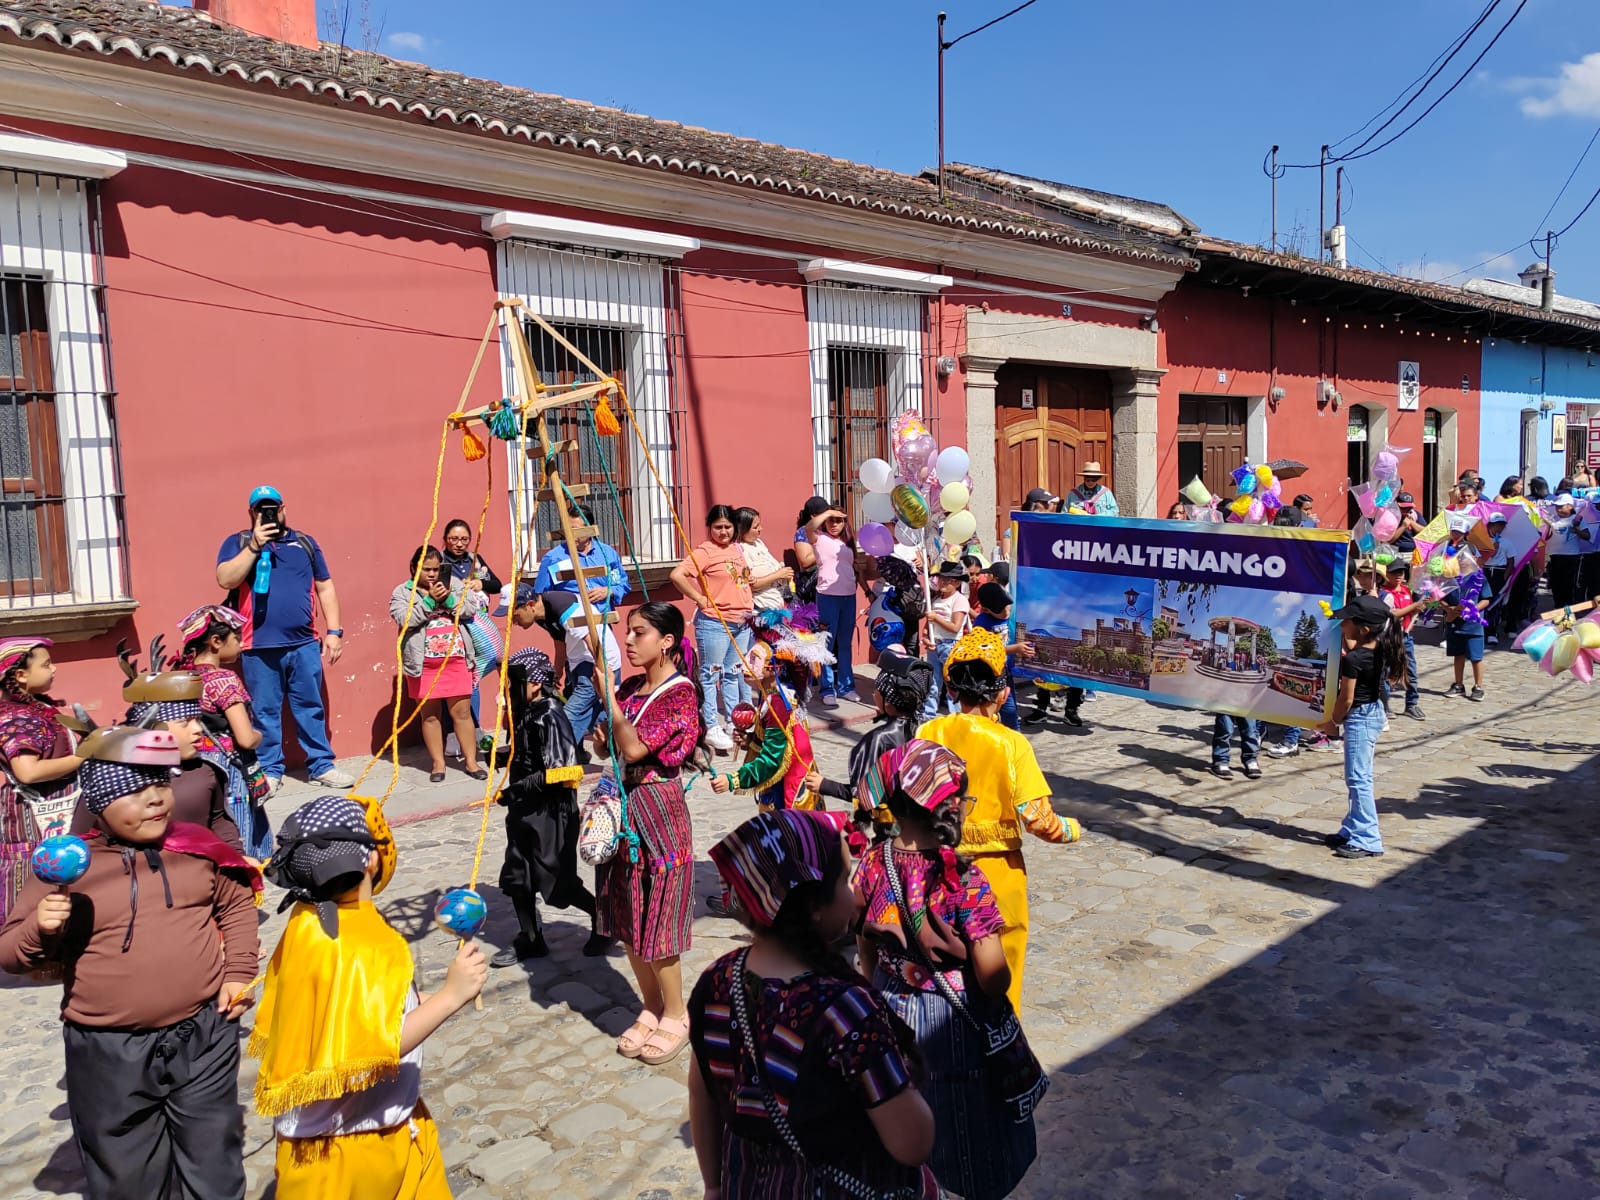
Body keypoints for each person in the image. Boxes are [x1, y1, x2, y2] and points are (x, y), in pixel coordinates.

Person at [1, 726, 261, 1200]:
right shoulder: (69, 866)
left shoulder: (197, 848)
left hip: (204, 1033)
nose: (156, 799)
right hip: (108, 1047)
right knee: (127, 1172)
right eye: (135, 790)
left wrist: (239, 970)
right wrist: (41, 927)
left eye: (160, 783)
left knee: (215, 1160)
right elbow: (10, 953)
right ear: (100, 803)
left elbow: (236, 904)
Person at [690, 808, 936, 1200]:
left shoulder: (717, 981)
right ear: (815, 907)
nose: (854, 892)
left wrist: (714, 1186)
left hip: (749, 1185)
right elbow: (913, 1143)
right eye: (845, 879)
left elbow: (702, 1092)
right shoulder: (846, 1010)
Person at [252, 795, 485, 1198]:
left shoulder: (312, 918)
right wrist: (450, 996)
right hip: (342, 1152)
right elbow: (375, 1044)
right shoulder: (351, 942)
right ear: (370, 861)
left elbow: (361, 1004)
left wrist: (422, 998)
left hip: (398, 1126)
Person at [854, 739, 1038, 1200]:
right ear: (950, 806)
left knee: (899, 1098)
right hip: (949, 1019)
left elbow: (862, 937)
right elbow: (993, 974)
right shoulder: (963, 878)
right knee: (962, 1114)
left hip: (889, 1001)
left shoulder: (874, 862)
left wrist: (875, 981)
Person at [919, 629, 1081, 1012]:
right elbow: (1040, 821)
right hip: (996, 878)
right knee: (999, 982)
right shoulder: (1012, 744)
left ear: (953, 690)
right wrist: (1074, 829)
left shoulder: (928, 732)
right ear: (1003, 694)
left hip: (933, 870)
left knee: (938, 977)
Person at [592, 602, 703, 1066]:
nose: (630, 641)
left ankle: (677, 1012)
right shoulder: (635, 686)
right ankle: (650, 1004)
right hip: (625, 805)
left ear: (668, 641)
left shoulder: (680, 694)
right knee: (627, 910)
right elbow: (613, 744)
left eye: (639, 633)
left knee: (659, 910)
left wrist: (610, 703)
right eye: (628, 632)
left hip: (658, 808)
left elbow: (636, 746)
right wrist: (605, 730)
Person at [214, 484, 352, 791]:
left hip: (303, 643)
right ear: (251, 513)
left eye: (273, 508)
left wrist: (334, 632)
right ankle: (270, 770)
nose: (269, 513)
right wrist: (253, 546)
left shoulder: (304, 542)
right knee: (264, 712)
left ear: (283, 509)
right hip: (257, 646)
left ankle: (321, 766)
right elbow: (225, 578)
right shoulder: (237, 542)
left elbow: (325, 586)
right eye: (261, 508)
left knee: (311, 706)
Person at [494, 647, 608, 965]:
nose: (506, 689)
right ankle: (531, 939)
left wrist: (515, 791)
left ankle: (604, 921)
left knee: (557, 882)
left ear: (532, 683)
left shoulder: (550, 714)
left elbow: (560, 772)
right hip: (523, 810)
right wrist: (503, 755)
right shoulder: (525, 712)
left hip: (551, 813)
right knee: (519, 875)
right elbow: (528, 753)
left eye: (511, 682)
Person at [75, 669, 243, 850]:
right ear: (153, 726)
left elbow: (219, 820)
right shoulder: (113, 777)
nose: (197, 729)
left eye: (198, 720)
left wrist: (236, 856)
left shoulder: (206, 771)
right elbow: (82, 837)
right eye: (184, 722)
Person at [174, 604, 272, 853]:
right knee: (236, 829)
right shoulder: (224, 680)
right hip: (227, 767)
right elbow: (246, 739)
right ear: (216, 641)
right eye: (236, 638)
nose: (240, 643)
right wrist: (259, 735)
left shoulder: (180, 678)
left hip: (192, 761)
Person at [0, 637, 81, 927]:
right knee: (35, 884)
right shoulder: (15, 717)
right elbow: (28, 772)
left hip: (55, 812)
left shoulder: (38, 709)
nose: (54, 668)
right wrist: (84, 757)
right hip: (32, 821)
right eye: (46, 664)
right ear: (20, 675)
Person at [1318, 595, 1407, 859]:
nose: (1341, 624)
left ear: (1363, 629)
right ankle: (1352, 827)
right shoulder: (1379, 647)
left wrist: (1332, 723)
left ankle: (1368, 838)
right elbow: (1352, 644)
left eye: (1346, 621)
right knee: (1359, 776)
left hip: (1359, 716)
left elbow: (1346, 699)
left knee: (1358, 779)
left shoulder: (1355, 659)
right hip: (1372, 713)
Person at [391, 545, 487, 783]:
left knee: (462, 713)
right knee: (430, 716)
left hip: (455, 658)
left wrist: (450, 598)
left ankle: (471, 762)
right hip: (422, 663)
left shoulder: (452, 583)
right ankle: (438, 764)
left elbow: (470, 609)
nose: (432, 574)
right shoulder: (403, 592)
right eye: (427, 569)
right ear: (415, 568)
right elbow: (404, 618)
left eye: (436, 569)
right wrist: (430, 603)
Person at [814, 648, 935, 824]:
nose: (873, 694)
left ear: (888, 701)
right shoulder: (925, 729)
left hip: (892, 828)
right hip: (919, 823)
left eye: (877, 691)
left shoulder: (878, 739)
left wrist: (824, 784)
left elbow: (863, 793)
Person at [673, 505, 755, 747]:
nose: (723, 532)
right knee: (711, 674)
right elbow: (677, 575)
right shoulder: (705, 552)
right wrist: (699, 598)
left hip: (742, 621)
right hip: (715, 623)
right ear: (709, 528)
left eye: (727, 527)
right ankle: (711, 725)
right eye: (717, 527)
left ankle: (732, 721)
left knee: (732, 674)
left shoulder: (737, 549)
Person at [440, 518, 505, 752]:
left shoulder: (474, 561)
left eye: (464, 539)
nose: (459, 544)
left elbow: (497, 584)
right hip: (454, 630)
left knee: (473, 678)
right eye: (454, 539)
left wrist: (481, 583)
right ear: (445, 539)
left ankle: (474, 731)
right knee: (457, 680)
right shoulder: (439, 562)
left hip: (480, 630)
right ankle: (452, 735)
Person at [535, 588, 623, 746]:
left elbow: (591, 640)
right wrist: (558, 671)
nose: (515, 622)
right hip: (580, 663)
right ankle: (625, 750)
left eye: (516, 616)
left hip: (596, 662)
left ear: (528, 605)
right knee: (597, 719)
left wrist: (603, 672)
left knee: (570, 716)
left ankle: (558, 762)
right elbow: (560, 642)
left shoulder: (562, 606)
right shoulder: (542, 614)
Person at [793, 502, 861, 706]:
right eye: (831, 520)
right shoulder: (819, 538)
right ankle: (827, 689)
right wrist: (830, 512)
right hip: (827, 596)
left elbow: (854, 567)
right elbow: (809, 528)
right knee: (827, 644)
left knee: (845, 644)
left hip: (848, 596)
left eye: (839, 521)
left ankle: (846, 686)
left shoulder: (847, 542)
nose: (834, 524)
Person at [972, 581, 1035, 731]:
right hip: (989, 674)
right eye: (1000, 610)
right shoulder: (982, 622)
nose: (1006, 611)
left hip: (1007, 673)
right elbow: (984, 649)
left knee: (1011, 711)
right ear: (986, 610)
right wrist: (1014, 649)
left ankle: (1015, 740)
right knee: (987, 712)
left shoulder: (1015, 615)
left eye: (1008, 606)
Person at [919, 562, 972, 721]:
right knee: (933, 682)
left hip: (951, 645)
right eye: (941, 579)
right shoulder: (935, 599)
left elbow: (955, 627)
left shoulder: (959, 600)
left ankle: (955, 716)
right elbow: (928, 625)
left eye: (947, 580)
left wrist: (936, 618)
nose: (942, 582)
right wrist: (926, 636)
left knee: (952, 684)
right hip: (935, 645)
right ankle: (928, 714)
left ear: (956, 583)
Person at [1443, 554, 1493, 703]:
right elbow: (1441, 598)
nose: (1462, 562)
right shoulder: (1449, 578)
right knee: (1458, 655)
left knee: (1476, 657)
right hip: (1454, 623)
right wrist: (1449, 609)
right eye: (1459, 559)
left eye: (1465, 559)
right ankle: (1458, 684)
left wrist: (1474, 609)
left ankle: (1478, 686)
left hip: (1473, 625)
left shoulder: (1479, 579)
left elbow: (1486, 599)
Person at [1380, 562, 1426, 720]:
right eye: (1394, 572)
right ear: (1387, 573)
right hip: (1389, 637)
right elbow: (1393, 614)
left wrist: (1417, 609)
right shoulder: (1384, 593)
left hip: (1406, 637)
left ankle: (1412, 704)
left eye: (1401, 572)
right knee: (1386, 672)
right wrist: (1414, 606)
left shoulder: (1407, 590)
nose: (1399, 575)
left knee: (1411, 671)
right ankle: (1385, 705)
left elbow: (1408, 611)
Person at [735, 506, 794, 613]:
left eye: (759, 525)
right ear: (742, 530)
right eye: (755, 527)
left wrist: (784, 574)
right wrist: (778, 575)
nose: (760, 529)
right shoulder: (740, 550)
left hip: (778, 604)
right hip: (762, 608)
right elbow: (749, 585)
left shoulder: (758, 543)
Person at [1544, 494, 1592, 608]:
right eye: (1557, 506)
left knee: (1568, 586)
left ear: (1570, 506)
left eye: (1561, 506)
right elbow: (1546, 536)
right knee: (1556, 586)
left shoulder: (1577, 520)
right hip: (1554, 557)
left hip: (1570, 557)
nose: (1558, 509)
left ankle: (1569, 611)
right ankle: (1558, 609)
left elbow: (1587, 536)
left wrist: (1576, 530)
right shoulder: (1552, 519)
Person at [1210, 713, 1261, 780]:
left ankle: (1250, 759)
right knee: (1225, 730)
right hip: (1225, 703)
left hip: (1249, 704)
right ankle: (1220, 761)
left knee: (1250, 730)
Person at [1393, 493, 1424, 558]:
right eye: (1404, 508)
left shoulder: (1415, 515)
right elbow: (1389, 540)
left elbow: (1424, 532)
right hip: (1396, 553)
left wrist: (1411, 522)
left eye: (1409, 508)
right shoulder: (1391, 517)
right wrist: (1403, 526)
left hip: (1413, 553)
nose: (1407, 511)